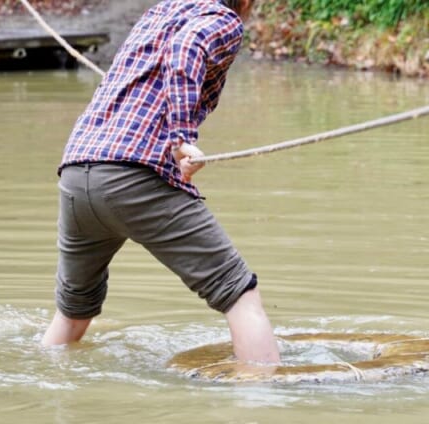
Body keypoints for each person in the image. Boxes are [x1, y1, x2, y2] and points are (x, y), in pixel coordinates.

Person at [41, 0, 280, 366]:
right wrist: (181, 137)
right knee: (240, 296)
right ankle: (265, 402)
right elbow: (186, 49)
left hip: (77, 173)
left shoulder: (160, 11)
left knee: (73, 313)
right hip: (133, 175)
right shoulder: (222, 19)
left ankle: (43, 384)